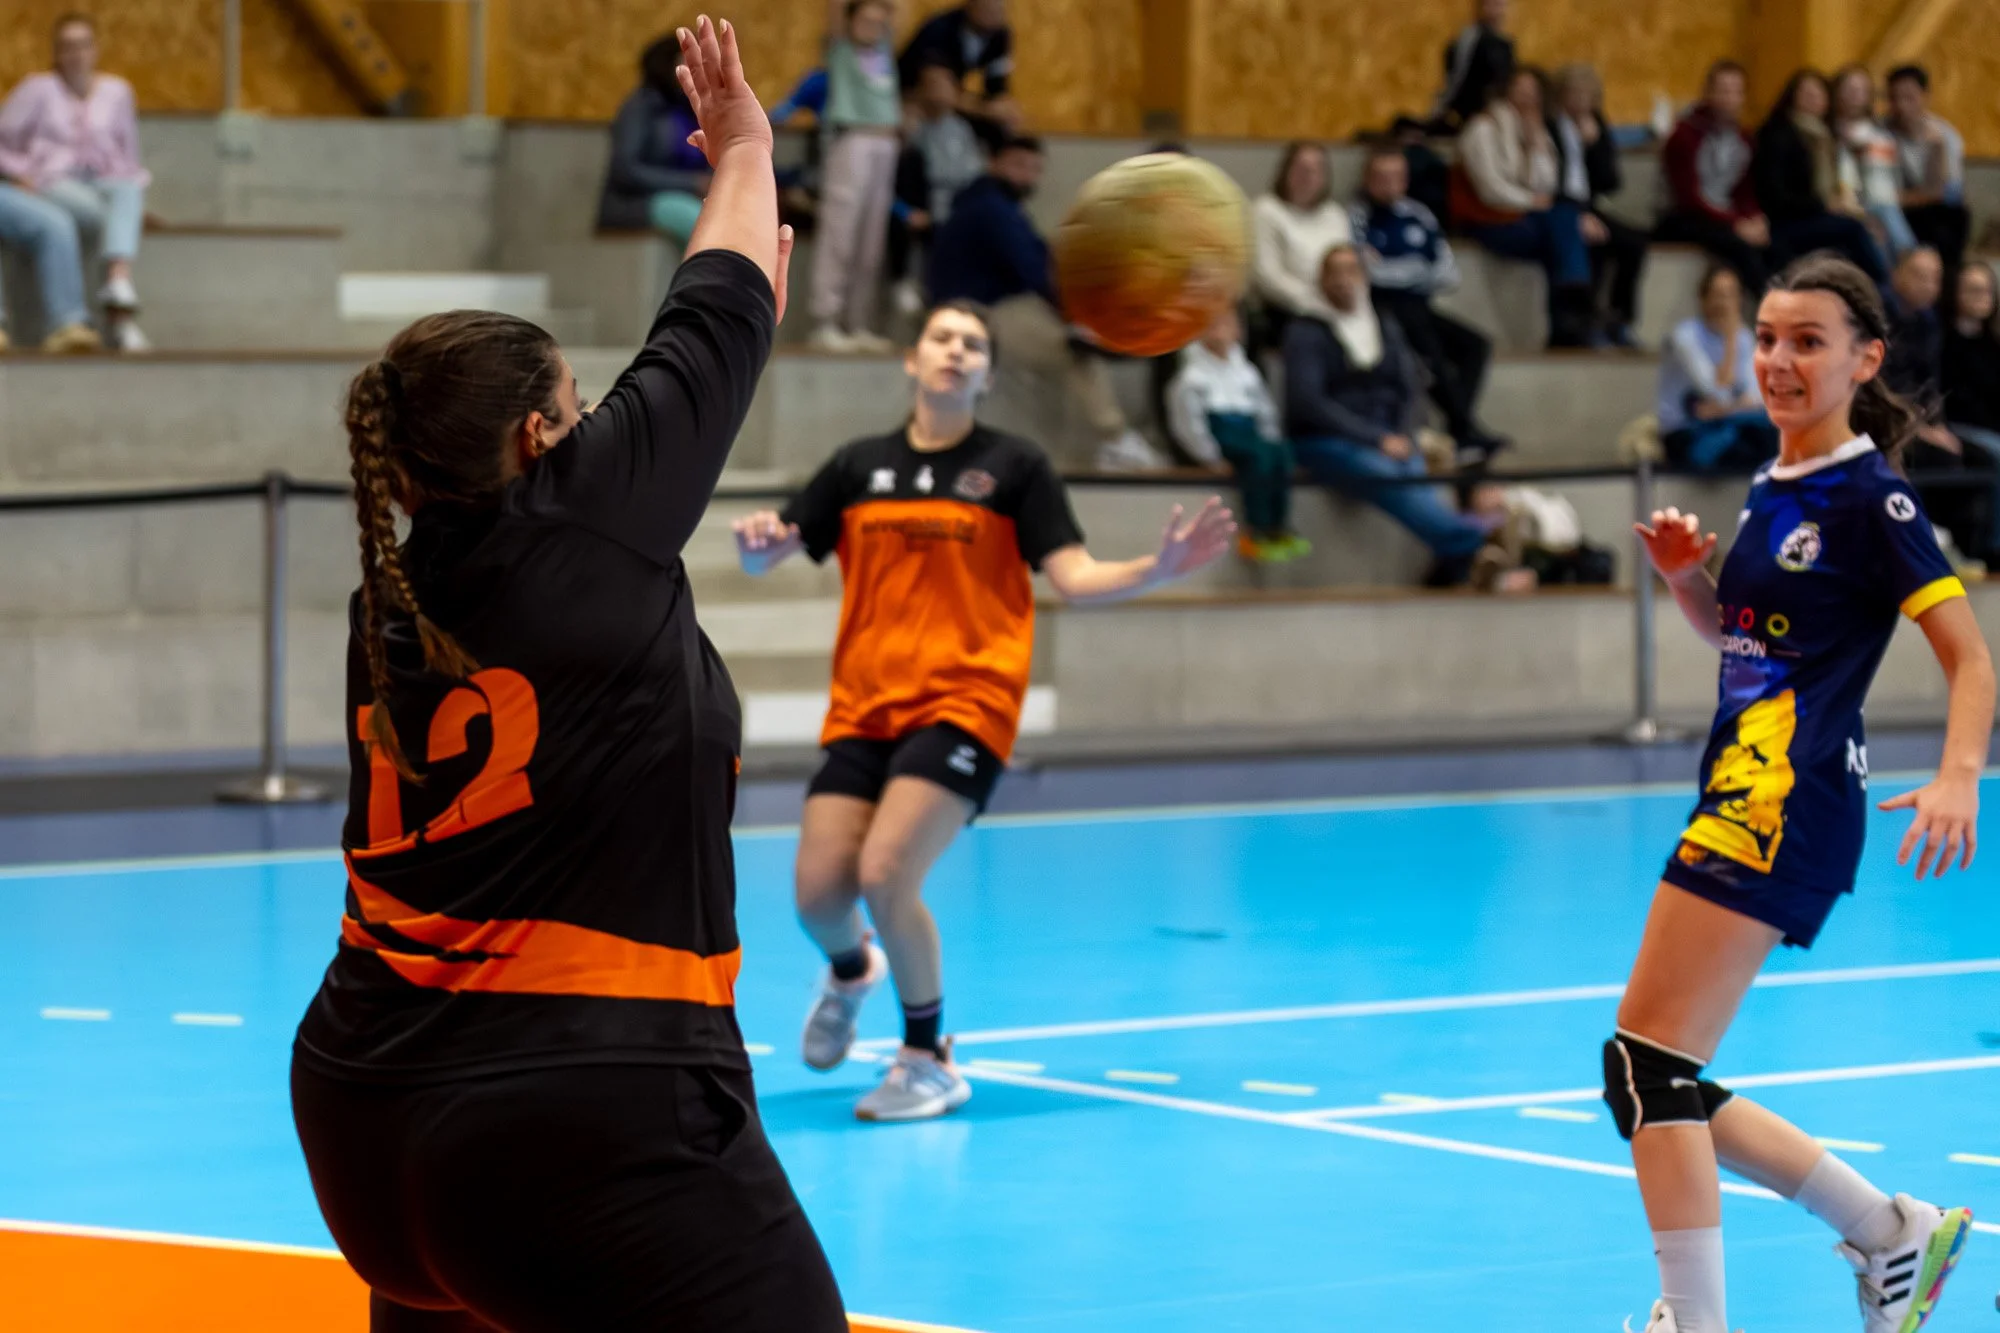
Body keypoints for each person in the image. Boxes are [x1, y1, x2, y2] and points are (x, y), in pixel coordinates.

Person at [288, 21, 848, 1331]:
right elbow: (717, 310)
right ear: (540, 437)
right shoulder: (581, 516)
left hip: (367, 1120)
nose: (606, 421)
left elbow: (727, 307)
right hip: (578, 1124)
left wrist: (741, 243)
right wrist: (750, 147)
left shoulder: (394, 597)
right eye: (582, 404)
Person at [732, 300, 1234, 1121]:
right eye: (942, 339)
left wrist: (1158, 565)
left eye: (973, 345)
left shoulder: (1015, 467)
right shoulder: (859, 466)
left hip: (968, 702)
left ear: (987, 374)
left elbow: (1072, 575)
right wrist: (759, 548)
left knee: (886, 873)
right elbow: (776, 548)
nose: (956, 353)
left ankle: (928, 1057)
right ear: (913, 359)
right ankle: (854, 970)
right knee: (819, 895)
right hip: (866, 708)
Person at [1617, 252, 1988, 1333]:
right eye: (1767, 338)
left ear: (1862, 359)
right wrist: (1692, 577)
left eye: (1805, 341)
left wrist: (1959, 774)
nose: (1775, 359)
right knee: (1651, 1072)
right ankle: (1887, 1233)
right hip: (1743, 787)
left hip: (1788, 801)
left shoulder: (1871, 497)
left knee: (1645, 1066)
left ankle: (1695, 1320)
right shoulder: (1774, 481)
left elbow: (1971, 659)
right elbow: (1741, 639)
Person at [929, 135, 1157, 470]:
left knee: (1070, 345)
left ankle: (1062, 452)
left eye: (1035, 168)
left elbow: (1043, 260)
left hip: (987, 308)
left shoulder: (995, 206)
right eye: (1017, 165)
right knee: (1074, 347)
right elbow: (1035, 270)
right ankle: (1114, 438)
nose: (1027, 176)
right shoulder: (990, 209)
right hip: (974, 312)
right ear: (993, 162)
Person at [1283, 244, 1494, 583]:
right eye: (1333, 273)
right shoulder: (1307, 330)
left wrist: (1402, 434)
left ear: (1363, 277)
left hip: (1389, 434)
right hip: (1327, 439)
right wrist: (1376, 439)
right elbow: (1307, 401)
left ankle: (1450, 564)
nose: (1342, 281)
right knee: (1389, 473)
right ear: (1321, 280)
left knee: (1413, 472)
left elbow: (1409, 386)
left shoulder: (1382, 324)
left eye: (1350, 271)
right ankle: (1467, 540)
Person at [0, 12, 150, 354]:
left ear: (96, 49)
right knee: (74, 219)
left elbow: (129, 156)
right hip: (50, 181)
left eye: (83, 45)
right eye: (67, 47)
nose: (76, 54)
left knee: (128, 188)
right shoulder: (38, 88)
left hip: (102, 181)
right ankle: (85, 319)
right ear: (55, 52)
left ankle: (116, 284)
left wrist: (134, 200)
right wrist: (22, 174)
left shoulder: (116, 91)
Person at [1351, 142, 1507, 462]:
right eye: (1381, 177)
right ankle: (1464, 430)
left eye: (1397, 177)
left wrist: (1398, 271)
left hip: (1420, 305)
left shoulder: (1418, 214)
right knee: (1427, 347)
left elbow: (1448, 273)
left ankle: (1458, 426)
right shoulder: (1356, 217)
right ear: (1368, 179)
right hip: (1379, 309)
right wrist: (1413, 271)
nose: (1389, 184)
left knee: (1475, 345)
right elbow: (1365, 274)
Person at [1456, 66, 1595, 348]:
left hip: (1525, 215)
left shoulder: (1536, 130)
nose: (1527, 99)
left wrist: (1534, 146)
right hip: (1489, 218)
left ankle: (1568, 325)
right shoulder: (1483, 129)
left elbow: (1546, 183)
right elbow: (1490, 189)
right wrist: (1530, 201)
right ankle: (1575, 305)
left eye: (1533, 93)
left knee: (1567, 230)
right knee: (1565, 234)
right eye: (1520, 90)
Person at [1166, 306, 1307, 563]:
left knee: (1280, 453)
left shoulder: (1247, 372)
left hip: (1249, 428)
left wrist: (1271, 438)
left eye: (1226, 322)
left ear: (1239, 330)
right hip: (1223, 433)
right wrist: (1210, 458)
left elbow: (1265, 410)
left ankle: (1279, 526)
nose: (1219, 329)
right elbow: (1188, 423)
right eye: (1212, 323)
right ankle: (1256, 530)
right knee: (1257, 459)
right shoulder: (1191, 377)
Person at [808, 0, 902, 353]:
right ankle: (825, 320)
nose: (873, 27)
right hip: (852, 140)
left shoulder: (886, 50)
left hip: (886, 142)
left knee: (871, 238)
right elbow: (834, 12)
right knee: (840, 229)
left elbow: (898, 13)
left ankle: (857, 321)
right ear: (850, 22)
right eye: (865, 20)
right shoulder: (840, 49)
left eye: (880, 21)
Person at [1752, 69, 1889, 284]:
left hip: (1818, 216)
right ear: (1792, 97)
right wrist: (1823, 205)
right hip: (1787, 223)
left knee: (1870, 228)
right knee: (1853, 230)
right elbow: (1775, 197)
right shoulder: (1778, 134)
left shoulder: (1826, 137)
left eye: (1818, 94)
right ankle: (1885, 289)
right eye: (1806, 93)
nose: (1813, 99)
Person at [1549, 63, 1648, 347]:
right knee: (1592, 245)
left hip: (1588, 204)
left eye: (1587, 95)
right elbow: (1545, 180)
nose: (1581, 100)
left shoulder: (1596, 124)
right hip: (1559, 206)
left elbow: (1610, 181)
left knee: (1634, 243)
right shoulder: (1550, 126)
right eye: (1575, 93)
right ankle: (1586, 324)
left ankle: (1620, 318)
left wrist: (1593, 146)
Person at [1656, 61, 1771, 295]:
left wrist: (1755, 217)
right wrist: (1736, 223)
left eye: (1736, 92)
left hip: (1725, 216)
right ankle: (1771, 311)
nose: (1729, 98)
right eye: (1723, 90)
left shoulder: (1744, 138)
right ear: (1708, 93)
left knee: (1776, 244)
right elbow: (1689, 198)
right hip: (1686, 217)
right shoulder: (1684, 136)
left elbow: (1744, 191)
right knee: (1740, 248)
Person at [888, 59, 988, 315]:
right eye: (931, 85)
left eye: (945, 85)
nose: (938, 92)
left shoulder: (962, 129)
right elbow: (896, 180)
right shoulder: (910, 129)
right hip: (915, 206)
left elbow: (970, 175)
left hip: (955, 206)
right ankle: (904, 281)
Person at [1657, 264, 1775, 472]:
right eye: (1718, 295)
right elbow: (1714, 389)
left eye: (1731, 295)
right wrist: (1730, 339)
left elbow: (1757, 399)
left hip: (1730, 425)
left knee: (1773, 438)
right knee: (1751, 449)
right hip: (1684, 432)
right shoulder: (1684, 337)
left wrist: (1724, 409)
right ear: (1703, 299)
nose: (1725, 304)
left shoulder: (1744, 337)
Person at [597, 34, 711, 244]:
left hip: (688, 198)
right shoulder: (640, 108)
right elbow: (625, 169)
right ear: (669, 65)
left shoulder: (692, 109)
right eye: (690, 61)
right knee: (699, 221)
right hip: (634, 203)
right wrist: (691, 183)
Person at [1252, 142, 1354, 331]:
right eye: (1301, 168)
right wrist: (1314, 303)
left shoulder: (1335, 214)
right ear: (1285, 171)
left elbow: (1345, 266)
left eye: (1316, 169)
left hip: (1335, 302)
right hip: (1287, 309)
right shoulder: (1266, 210)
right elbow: (1267, 276)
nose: (1308, 176)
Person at [1885, 65, 1970, 271]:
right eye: (1895, 98)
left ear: (1925, 97)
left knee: (1956, 216)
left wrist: (1905, 196)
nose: (1902, 106)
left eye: (1909, 98)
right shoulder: (1881, 133)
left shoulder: (1944, 136)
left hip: (1935, 209)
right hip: (1898, 211)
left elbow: (1944, 191)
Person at [1829, 65, 1917, 261]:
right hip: (1851, 202)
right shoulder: (1830, 131)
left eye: (1862, 90)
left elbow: (1890, 172)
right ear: (1837, 93)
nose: (1856, 96)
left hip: (1886, 200)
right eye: (1850, 90)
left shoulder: (1881, 131)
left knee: (1901, 243)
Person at [898, 0, 1012, 113]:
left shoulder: (999, 36)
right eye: (987, 6)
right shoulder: (941, 29)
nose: (994, 9)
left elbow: (998, 88)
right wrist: (986, 110)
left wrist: (1004, 109)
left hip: (954, 101)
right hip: (908, 98)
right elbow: (940, 94)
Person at [1432, 0, 1515, 135]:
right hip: (1471, 115)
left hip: (1497, 112)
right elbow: (1457, 79)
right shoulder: (1469, 40)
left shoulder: (1504, 45)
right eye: (1491, 3)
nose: (1498, 9)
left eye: (1501, 4)